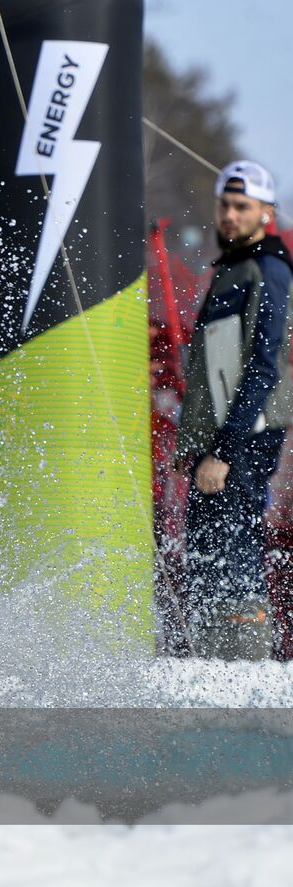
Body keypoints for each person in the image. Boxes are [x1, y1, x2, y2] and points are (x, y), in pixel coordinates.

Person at [176, 160, 293, 660]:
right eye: (225, 205)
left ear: (265, 212)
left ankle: (245, 673)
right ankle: (210, 669)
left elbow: (262, 369)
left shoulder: (267, 269)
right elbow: (211, 374)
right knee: (205, 557)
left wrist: (222, 452)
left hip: (243, 437)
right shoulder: (232, 268)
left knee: (233, 555)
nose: (230, 214)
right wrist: (193, 445)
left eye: (242, 207)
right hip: (218, 441)